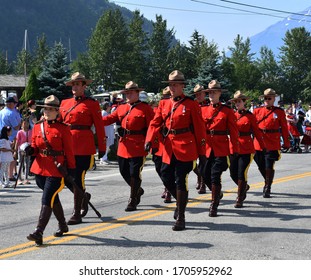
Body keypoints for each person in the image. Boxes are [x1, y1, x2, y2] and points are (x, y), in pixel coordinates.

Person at [145, 70, 207, 231]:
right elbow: (155, 123)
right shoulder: (164, 103)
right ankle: (180, 205)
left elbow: (200, 129)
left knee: (180, 180)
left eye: (175, 84)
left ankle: (181, 216)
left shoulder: (191, 104)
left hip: (185, 146)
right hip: (168, 147)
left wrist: (202, 152)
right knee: (165, 175)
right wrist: (149, 140)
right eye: (170, 85)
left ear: (182, 86)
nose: (172, 87)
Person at [25, 95, 76, 246]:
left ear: (57, 112)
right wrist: (30, 150)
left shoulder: (63, 129)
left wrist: (71, 171)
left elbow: (69, 152)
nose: (46, 112)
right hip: (40, 169)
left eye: (50, 109)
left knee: (47, 199)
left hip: (56, 170)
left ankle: (39, 231)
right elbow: (35, 147)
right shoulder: (37, 127)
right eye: (45, 109)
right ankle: (63, 225)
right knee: (53, 198)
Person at [59, 72, 106, 225]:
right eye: (73, 84)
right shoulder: (64, 103)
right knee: (66, 178)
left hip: (83, 147)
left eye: (78, 84)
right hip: (67, 146)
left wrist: (102, 147)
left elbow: (99, 126)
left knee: (78, 178)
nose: (75, 86)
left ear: (84, 86)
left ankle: (76, 213)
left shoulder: (92, 104)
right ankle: (83, 198)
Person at [102, 81, 154, 212]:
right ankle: (138, 190)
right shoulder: (122, 108)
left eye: (131, 92)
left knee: (134, 173)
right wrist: (92, 118)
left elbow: (152, 127)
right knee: (124, 171)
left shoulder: (145, 108)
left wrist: (150, 142)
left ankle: (133, 199)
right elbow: (108, 119)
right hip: (124, 145)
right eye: (127, 93)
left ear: (137, 93)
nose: (129, 95)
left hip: (138, 145)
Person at [199, 80, 239, 217]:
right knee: (203, 174)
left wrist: (234, 149)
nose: (211, 94)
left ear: (219, 93)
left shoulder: (227, 111)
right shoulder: (202, 109)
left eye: (214, 92)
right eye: (209, 92)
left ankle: (214, 204)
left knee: (215, 175)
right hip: (207, 148)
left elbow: (233, 132)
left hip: (221, 148)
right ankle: (218, 193)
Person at [228, 91, 265, 208]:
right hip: (233, 147)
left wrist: (263, 146)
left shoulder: (250, 116)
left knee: (241, 173)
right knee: (232, 173)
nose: (237, 104)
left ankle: (240, 197)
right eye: (235, 102)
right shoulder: (232, 115)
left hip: (246, 148)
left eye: (239, 101)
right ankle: (244, 187)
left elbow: (257, 133)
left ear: (244, 102)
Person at [253, 88, 290, 198]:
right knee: (260, 165)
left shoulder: (279, 112)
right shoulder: (257, 111)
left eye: (269, 98)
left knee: (269, 165)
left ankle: (267, 186)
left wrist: (286, 142)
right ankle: (268, 180)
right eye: (265, 98)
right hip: (259, 142)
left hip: (272, 142)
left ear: (274, 99)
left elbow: (284, 128)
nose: (267, 100)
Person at [192, 84, 209, 194]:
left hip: (205, 138)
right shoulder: (192, 105)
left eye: (200, 93)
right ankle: (199, 175)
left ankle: (203, 183)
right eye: (196, 94)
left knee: (203, 162)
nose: (198, 96)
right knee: (192, 163)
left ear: (204, 94)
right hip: (193, 137)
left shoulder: (209, 106)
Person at [0, 96, 22, 181]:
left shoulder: (1, 111)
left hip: (1, 136)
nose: (15, 105)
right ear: (10, 104)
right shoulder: (11, 113)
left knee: (2, 158)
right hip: (11, 137)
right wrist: (20, 122)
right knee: (12, 157)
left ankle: (3, 175)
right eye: (14, 103)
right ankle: (10, 175)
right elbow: (16, 127)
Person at [15, 119, 32, 185]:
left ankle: (26, 178)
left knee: (27, 164)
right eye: (24, 123)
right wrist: (15, 151)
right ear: (22, 124)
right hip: (21, 149)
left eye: (27, 123)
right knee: (20, 164)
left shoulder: (30, 131)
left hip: (28, 149)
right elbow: (17, 141)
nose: (25, 125)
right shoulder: (20, 132)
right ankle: (19, 178)